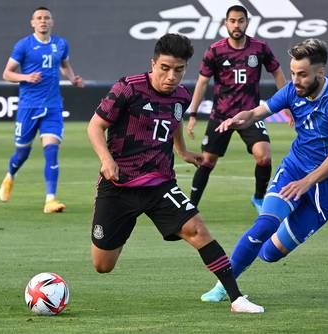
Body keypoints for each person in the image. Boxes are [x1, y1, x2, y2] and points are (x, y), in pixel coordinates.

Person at [87, 33, 264, 313]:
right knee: (102, 265)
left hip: (160, 185)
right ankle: (122, 224)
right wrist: (106, 160)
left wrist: (182, 151)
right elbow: (95, 127)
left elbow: (175, 122)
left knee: (198, 230)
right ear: (153, 63)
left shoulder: (181, 96)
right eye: (165, 68)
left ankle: (236, 298)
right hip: (118, 185)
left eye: (179, 70)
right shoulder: (128, 88)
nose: (172, 76)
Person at [200, 38, 328, 302]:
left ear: (320, 72)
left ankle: (278, 225)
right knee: (264, 225)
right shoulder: (290, 91)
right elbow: (256, 113)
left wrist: (307, 183)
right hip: (294, 170)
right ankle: (223, 287)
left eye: (302, 74)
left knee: (270, 254)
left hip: (327, 186)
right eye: (293, 73)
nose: (294, 80)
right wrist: (241, 118)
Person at [185, 5, 288, 212]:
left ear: (247, 22)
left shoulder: (259, 48)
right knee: (207, 162)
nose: (236, 25)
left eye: (240, 21)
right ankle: (190, 206)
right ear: (226, 23)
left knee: (264, 156)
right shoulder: (215, 51)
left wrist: (287, 103)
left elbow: (277, 72)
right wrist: (193, 113)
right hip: (221, 115)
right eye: (232, 21)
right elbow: (202, 82)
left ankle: (259, 199)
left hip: (250, 115)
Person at [0, 6, 84, 213]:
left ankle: (50, 200)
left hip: (53, 106)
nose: (43, 21)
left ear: (52, 22)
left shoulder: (61, 44)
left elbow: (64, 65)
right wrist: (26, 77)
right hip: (28, 106)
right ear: (32, 22)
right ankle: (10, 176)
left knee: (52, 152)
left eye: (46, 18)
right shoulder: (24, 45)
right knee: (22, 153)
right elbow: (7, 74)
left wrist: (72, 78)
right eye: (39, 18)